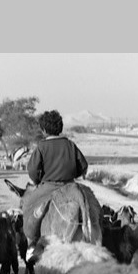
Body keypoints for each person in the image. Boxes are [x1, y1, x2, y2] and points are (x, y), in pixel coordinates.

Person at [22, 110, 88, 259]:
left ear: (44, 130)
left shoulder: (41, 147)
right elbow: (83, 166)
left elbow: (32, 170)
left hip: (49, 186)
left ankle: (32, 245)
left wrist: (38, 181)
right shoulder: (71, 145)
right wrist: (72, 175)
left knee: (27, 205)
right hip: (71, 186)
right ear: (60, 128)